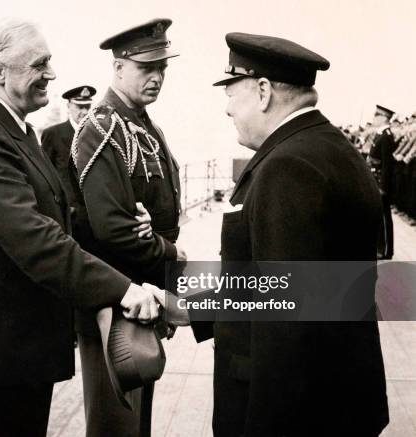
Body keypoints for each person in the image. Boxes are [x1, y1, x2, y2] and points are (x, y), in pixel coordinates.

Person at [155, 32, 389, 436]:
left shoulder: (288, 167)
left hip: (301, 412)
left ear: (263, 91)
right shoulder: (325, 147)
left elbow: (286, 326)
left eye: (230, 92)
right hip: (338, 398)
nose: (227, 109)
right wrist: (188, 308)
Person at [0, 18, 161, 437]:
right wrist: (125, 290)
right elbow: (36, 241)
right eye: (39, 63)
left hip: (22, 349)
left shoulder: (18, 131)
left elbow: (60, 219)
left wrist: (138, 232)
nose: (52, 74)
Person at [71, 18, 185, 437]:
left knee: (137, 422)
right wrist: (171, 255)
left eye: (162, 69)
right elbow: (113, 230)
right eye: (146, 67)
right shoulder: (102, 128)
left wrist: (154, 235)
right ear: (118, 68)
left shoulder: (140, 124)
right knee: (115, 422)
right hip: (116, 300)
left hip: (142, 296)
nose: (156, 77)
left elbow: (150, 210)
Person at [41, 85, 95, 206]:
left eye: (88, 107)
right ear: (69, 106)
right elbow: (45, 174)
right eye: (80, 107)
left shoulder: (97, 134)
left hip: (94, 208)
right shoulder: (53, 134)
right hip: (68, 210)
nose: (85, 112)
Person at [368, 104, 396, 259]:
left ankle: (386, 250)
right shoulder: (381, 134)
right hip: (376, 179)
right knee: (379, 216)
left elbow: (387, 165)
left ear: (384, 118)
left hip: (381, 182)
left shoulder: (386, 136)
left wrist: (383, 187)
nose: (374, 119)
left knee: (384, 217)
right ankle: (379, 246)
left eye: (376, 116)